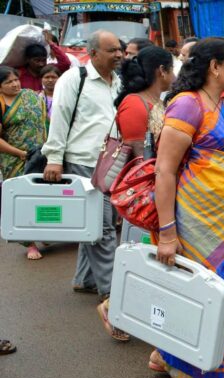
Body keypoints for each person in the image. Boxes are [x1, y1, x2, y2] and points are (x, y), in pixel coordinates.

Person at [148, 37, 224, 378]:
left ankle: (177, 361)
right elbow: (164, 171)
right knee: (206, 297)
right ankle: (212, 376)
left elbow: (216, 156)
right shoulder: (187, 105)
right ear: (214, 67)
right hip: (199, 227)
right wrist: (167, 234)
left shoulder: (218, 102)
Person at [94, 45, 174, 342]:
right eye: (171, 68)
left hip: (154, 194)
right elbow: (139, 158)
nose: (175, 74)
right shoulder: (135, 103)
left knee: (148, 256)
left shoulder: (155, 101)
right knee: (141, 255)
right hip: (140, 196)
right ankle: (113, 308)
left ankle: (121, 308)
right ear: (161, 72)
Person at [41, 30, 123, 301]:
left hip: (109, 162)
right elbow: (60, 117)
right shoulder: (75, 78)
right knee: (102, 227)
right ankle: (113, 293)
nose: (119, 55)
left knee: (99, 222)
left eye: (119, 49)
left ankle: (85, 279)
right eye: (112, 50)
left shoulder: (117, 82)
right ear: (95, 53)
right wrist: (54, 158)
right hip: (82, 162)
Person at [0, 65, 47, 260]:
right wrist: (20, 154)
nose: (14, 84)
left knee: (44, 196)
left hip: (42, 155)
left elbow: (47, 121)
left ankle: (48, 232)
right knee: (22, 201)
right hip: (16, 160)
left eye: (16, 79)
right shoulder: (1, 103)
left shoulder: (31, 96)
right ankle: (30, 244)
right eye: (8, 82)